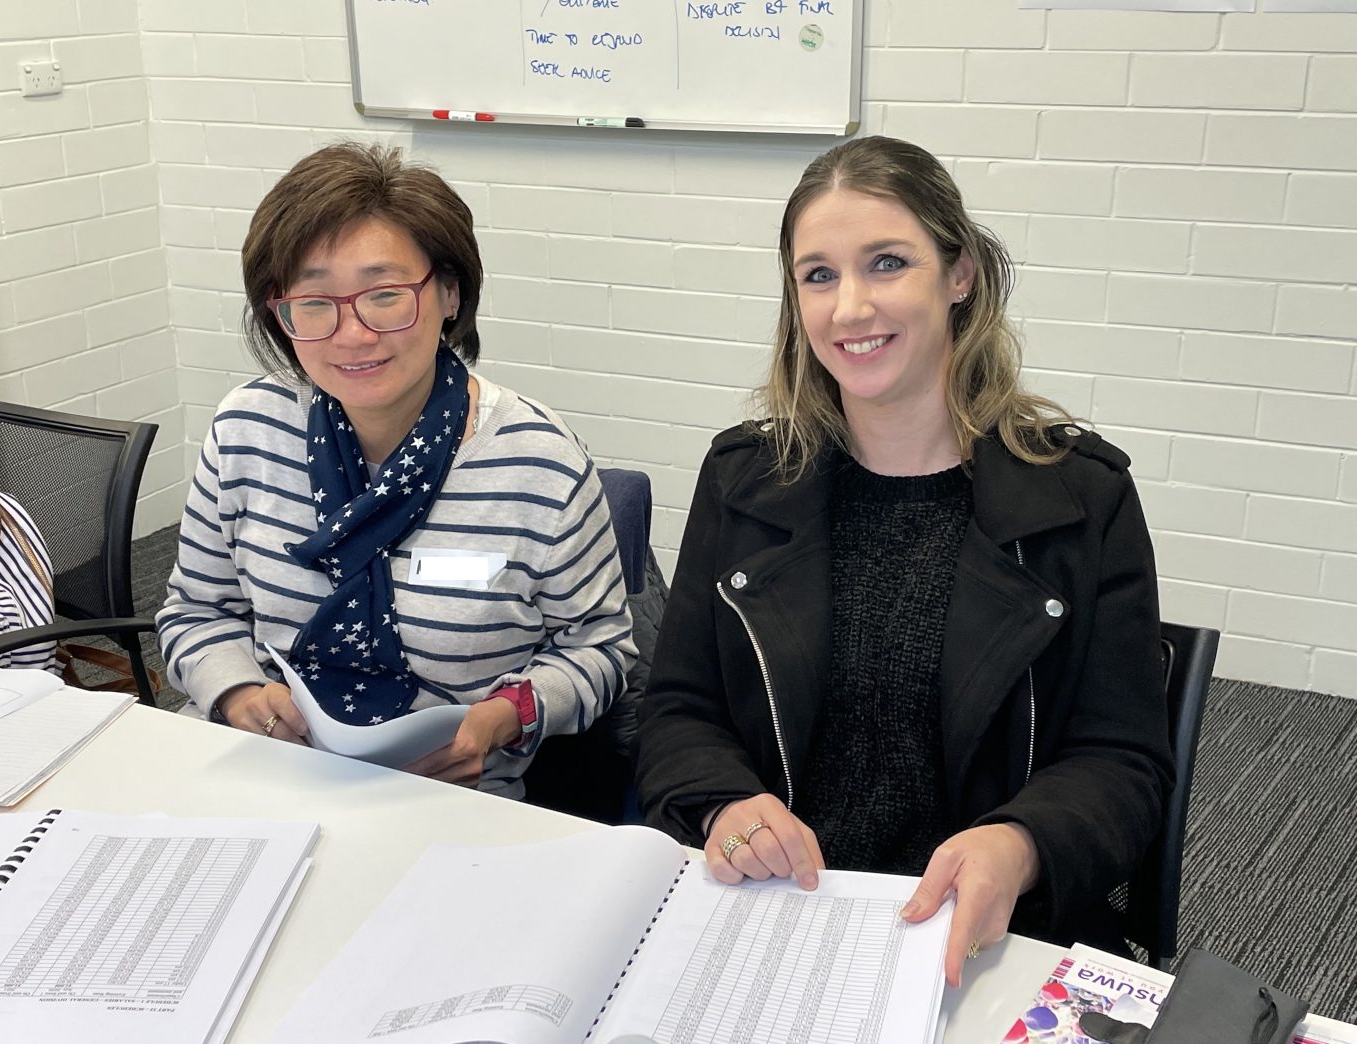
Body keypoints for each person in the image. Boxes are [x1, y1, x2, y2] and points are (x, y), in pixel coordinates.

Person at [633, 136, 1173, 985]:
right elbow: (677, 711)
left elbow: (1122, 762)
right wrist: (726, 804)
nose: (850, 308)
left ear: (958, 276)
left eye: (887, 263)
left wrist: (1021, 843)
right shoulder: (745, 482)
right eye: (818, 275)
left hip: (987, 934)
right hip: (783, 916)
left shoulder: (1078, 496)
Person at [157, 142, 634, 798]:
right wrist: (237, 692)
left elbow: (601, 649)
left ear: (447, 292)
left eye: (384, 295)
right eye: (315, 301)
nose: (352, 333)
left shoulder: (539, 466)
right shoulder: (248, 429)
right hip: (266, 768)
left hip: (446, 795)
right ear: (279, 311)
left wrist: (505, 718)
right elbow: (196, 609)